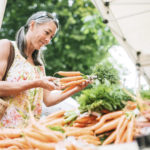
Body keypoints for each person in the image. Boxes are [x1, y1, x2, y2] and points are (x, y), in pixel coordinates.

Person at [0, 11, 89, 128]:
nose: (48, 40)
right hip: (4, 132)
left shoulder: (39, 66)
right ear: (32, 25)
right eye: (46, 32)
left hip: (28, 136)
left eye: (51, 37)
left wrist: (76, 88)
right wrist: (37, 83)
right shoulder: (7, 47)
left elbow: (48, 100)